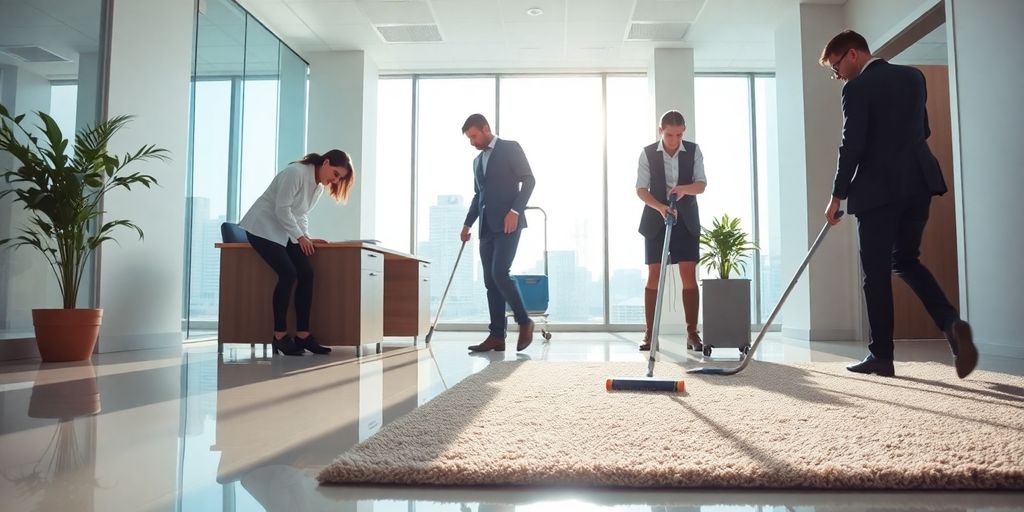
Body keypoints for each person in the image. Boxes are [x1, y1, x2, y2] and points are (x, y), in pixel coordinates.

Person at [819, 30, 977, 378]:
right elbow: (924, 129)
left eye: (837, 67)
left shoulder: (856, 89)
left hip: (878, 192)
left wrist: (837, 196)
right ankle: (950, 322)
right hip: (920, 183)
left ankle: (882, 356)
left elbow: (852, 146)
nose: (838, 75)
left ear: (853, 54)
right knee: (905, 260)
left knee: (875, 274)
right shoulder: (913, 76)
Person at [238, 150, 355, 356]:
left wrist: (306, 236)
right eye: (336, 174)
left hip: (285, 232)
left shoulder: (317, 187)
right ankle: (279, 336)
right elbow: (282, 208)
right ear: (326, 162)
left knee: (307, 274)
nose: (335, 181)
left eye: (339, 178)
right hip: (262, 229)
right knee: (288, 274)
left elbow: (300, 214)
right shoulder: (296, 173)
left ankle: (303, 335)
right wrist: (300, 237)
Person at [459, 114, 537, 353]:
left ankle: (524, 321)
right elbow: (478, 195)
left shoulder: (510, 148)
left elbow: (529, 180)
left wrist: (515, 210)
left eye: (473, 136)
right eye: (469, 138)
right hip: (486, 228)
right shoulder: (476, 162)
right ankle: (496, 336)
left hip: (508, 224)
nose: (472, 142)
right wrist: (467, 224)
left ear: (485, 129)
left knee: (500, 273)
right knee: (490, 281)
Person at [636, 110, 707, 352]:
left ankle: (692, 333)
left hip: (686, 221)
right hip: (656, 220)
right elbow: (641, 189)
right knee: (654, 273)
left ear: (684, 131)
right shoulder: (647, 154)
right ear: (660, 131)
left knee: (688, 274)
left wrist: (682, 189)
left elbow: (701, 185)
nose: (674, 140)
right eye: (669, 135)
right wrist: (660, 207)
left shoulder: (694, 151)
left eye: (678, 135)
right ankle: (650, 334)